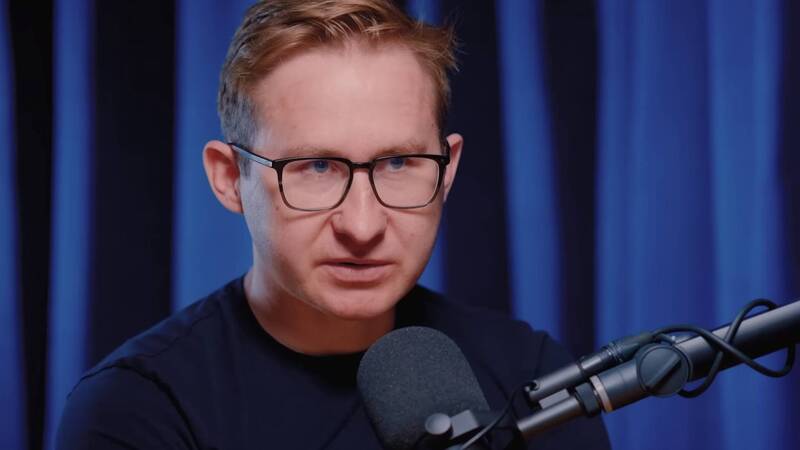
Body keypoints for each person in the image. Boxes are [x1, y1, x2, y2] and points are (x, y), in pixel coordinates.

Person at [57, 1, 610, 449]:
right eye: (317, 167)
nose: (362, 226)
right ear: (229, 179)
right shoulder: (137, 410)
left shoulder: (533, 376)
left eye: (399, 163)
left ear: (447, 171)